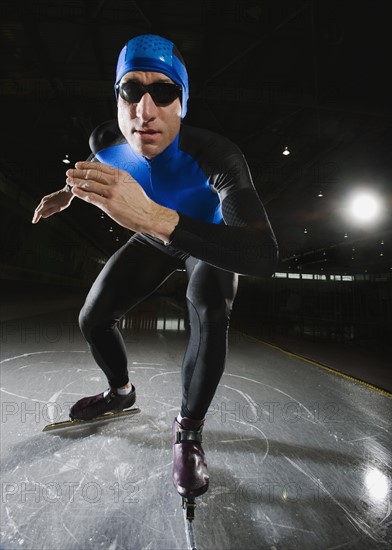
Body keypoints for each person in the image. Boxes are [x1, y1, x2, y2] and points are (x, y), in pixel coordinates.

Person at [32, 34, 278, 500]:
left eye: (163, 93)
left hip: (203, 238)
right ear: (118, 99)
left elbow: (261, 253)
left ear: (183, 105)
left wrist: (153, 217)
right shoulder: (106, 139)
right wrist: (66, 192)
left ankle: (189, 429)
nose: (144, 112)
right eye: (131, 91)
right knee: (93, 318)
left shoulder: (216, 155)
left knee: (210, 311)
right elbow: (94, 161)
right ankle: (121, 393)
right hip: (153, 238)